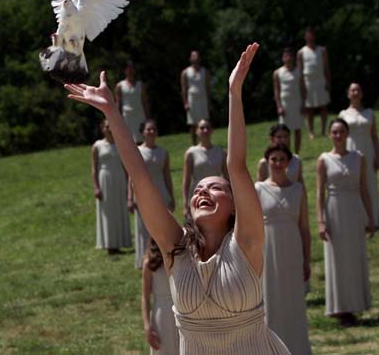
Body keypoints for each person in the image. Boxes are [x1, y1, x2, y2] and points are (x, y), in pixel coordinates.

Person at [65, 43, 291, 354]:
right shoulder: (176, 248)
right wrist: (111, 112)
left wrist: (234, 91)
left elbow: (235, 165)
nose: (202, 191)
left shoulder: (247, 242)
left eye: (215, 188)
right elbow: (141, 178)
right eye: (198, 189)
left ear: (235, 205)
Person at [316, 118, 375, 326]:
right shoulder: (324, 160)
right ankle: (340, 308)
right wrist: (321, 221)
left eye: (341, 132)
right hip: (334, 211)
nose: (338, 136)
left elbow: (364, 190)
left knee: (355, 256)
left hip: (354, 210)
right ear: (330, 135)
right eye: (334, 132)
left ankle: (357, 303)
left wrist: (370, 216)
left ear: (347, 134)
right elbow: (319, 193)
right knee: (338, 259)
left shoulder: (359, 158)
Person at [256, 144, 311, 355]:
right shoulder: (258, 189)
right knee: (269, 301)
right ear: (267, 162)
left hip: (292, 251)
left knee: (293, 301)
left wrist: (306, 259)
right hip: (267, 252)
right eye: (273, 159)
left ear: (288, 163)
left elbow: (304, 228)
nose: (277, 164)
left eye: (281, 159)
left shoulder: (297, 190)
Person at [129, 119, 175, 269]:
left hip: (160, 191)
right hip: (143, 193)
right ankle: (145, 260)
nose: (151, 132)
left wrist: (171, 196)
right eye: (148, 129)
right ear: (142, 132)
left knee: (162, 226)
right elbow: (132, 175)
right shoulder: (137, 151)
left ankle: (162, 258)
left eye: (153, 129)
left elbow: (167, 175)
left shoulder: (163, 152)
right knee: (144, 228)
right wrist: (130, 197)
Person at [339, 83, 379, 228]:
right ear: (348, 94)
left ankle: (373, 219)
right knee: (355, 184)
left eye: (358, 90)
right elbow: (339, 137)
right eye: (352, 90)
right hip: (350, 150)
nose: (355, 92)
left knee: (369, 183)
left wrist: (378, 156)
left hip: (368, 151)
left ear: (362, 93)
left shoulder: (369, 113)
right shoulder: (343, 114)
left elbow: (375, 136)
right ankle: (357, 220)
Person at [91, 119, 132, 254]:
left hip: (119, 179)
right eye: (106, 126)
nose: (109, 129)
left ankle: (120, 242)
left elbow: (126, 167)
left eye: (111, 126)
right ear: (102, 128)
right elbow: (94, 168)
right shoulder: (97, 146)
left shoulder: (120, 144)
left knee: (119, 210)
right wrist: (96, 187)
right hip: (105, 179)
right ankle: (109, 244)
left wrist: (128, 187)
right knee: (108, 212)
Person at [142, 238, 179, 355]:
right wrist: (147, 326)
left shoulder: (179, 258)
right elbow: (145, 297)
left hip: (181, 310)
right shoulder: (149, 263)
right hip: (162, 314)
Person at [182, 119, 229, 211]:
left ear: (212, 131)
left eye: (208, 128)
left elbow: (227, 177)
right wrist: (185, 203)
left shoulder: (221, 152)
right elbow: (186, 180)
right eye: (202, 128)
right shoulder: (191, 153)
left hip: (216, 194)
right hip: (198, 195)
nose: (205, 130)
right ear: (196, 131)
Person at [297, 27, 331, 139]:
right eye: (308, 35)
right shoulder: (301, 52)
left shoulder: (322, 50)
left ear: (314, 36)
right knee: (309, 108)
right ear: (305, 37)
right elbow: (300, 71)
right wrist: (302, 85)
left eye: (311, 35)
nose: (310, 37)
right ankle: (311, 132)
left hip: (321, 80)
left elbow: (326, 67)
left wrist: (328, 81)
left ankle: (323, 130)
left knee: (323, 106)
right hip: (308, 82)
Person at [273, 47, 305, 153]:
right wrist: (279, 106)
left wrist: (303, 104)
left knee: (297, 129)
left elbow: (303, 88)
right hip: (285, 104)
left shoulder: (299, 72)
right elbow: (276, 91)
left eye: (290, 56)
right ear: (283, 58)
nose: (288, 58)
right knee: (285, 131)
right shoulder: (277, 73)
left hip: (297, 103)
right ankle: (287, 152)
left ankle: (296, 153)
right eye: (286, 56)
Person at [181, 50, 212, 145]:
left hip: (202, 99)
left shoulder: (205, 71)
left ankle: (204, 142)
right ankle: (194, 143)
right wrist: (185, 102)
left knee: (204, 122)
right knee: (193, 123)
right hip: (192, 100)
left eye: (197, 56)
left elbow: (207, 87)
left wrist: (209, 102)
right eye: (193, 56)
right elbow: (184, 88)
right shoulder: (185, 72)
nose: (195, 58)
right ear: (190, 58)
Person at [115, 60, 150, 143]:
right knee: (129, 139)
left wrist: (148, 118)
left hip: (140, 114)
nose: (130, 71)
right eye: (128, 69)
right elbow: (118, 104)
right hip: (127, 116)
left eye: (132, 68)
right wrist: (117, 119)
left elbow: (145, 102)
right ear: (125, 70)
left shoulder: (140, 85)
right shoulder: (120, 86)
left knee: (142, 137)